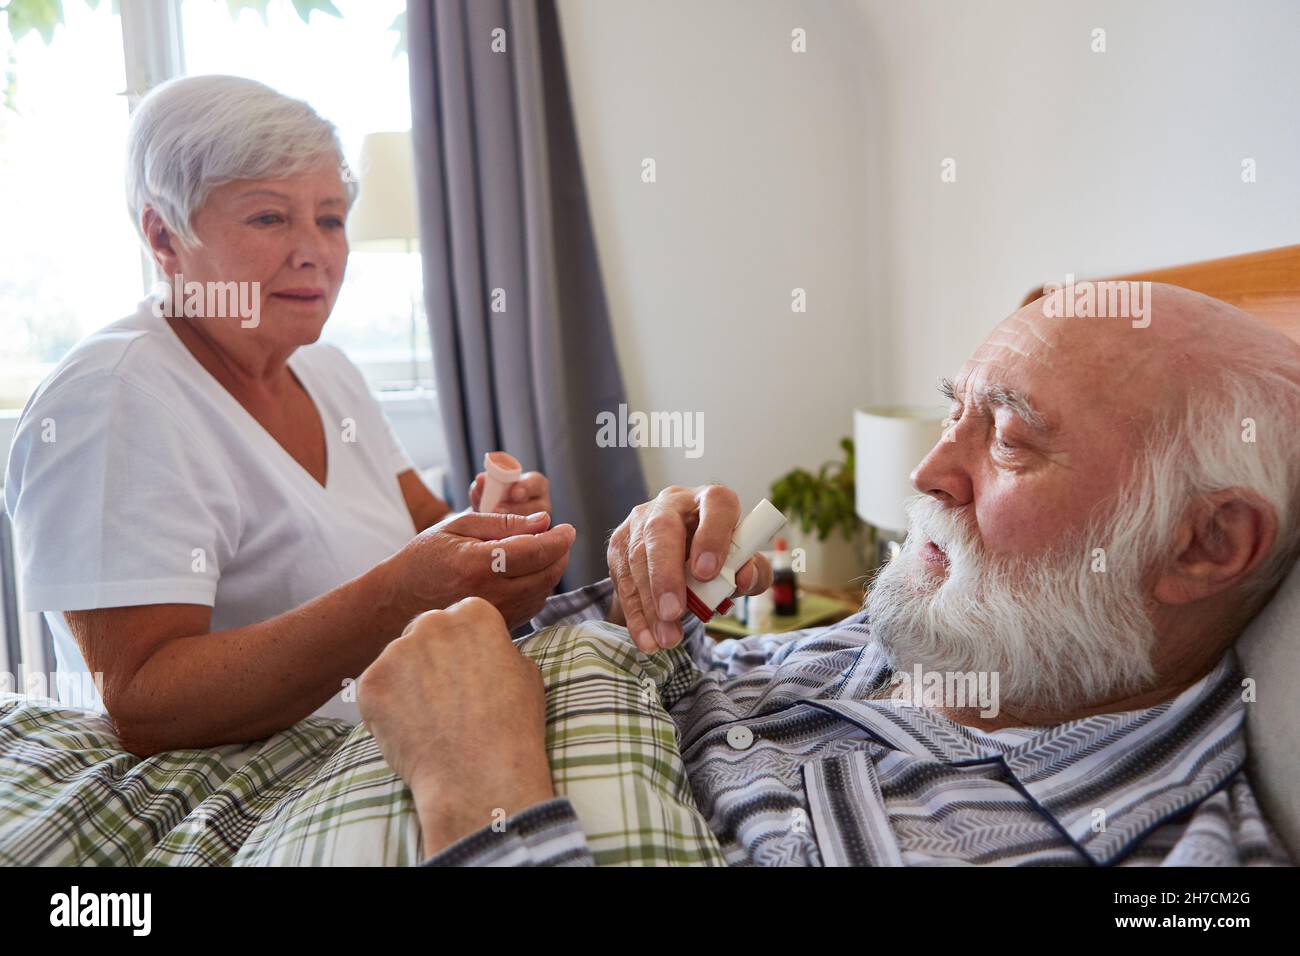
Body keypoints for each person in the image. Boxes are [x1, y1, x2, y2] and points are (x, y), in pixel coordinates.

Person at [358, 283, 1300, 865]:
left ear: (1206, 545)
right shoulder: (951, 635)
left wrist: (478, 794)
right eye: (954, 414)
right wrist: (650, 600)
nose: (928, 473)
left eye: (1011, 438)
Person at [3, 75, 573, 756]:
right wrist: (399, 597)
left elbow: (424, 527)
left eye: (329, 219)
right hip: (247, 785)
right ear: (164, 236)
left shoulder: (328, 370)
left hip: (400, 733)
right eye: (270, 218)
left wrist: (488, 530)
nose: (315, 252)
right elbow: (140, 703)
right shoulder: (112, 396)